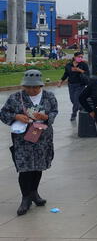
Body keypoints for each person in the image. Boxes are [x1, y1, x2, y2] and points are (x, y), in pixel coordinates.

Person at [0, 70, 57, 216]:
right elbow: (3, 113)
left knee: (38, 166)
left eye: (35, 87)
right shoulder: (15, 98)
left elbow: (54, 112)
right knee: (24, 168)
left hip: (42, 137)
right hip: (22, 138)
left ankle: (34, 193)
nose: (31, 90)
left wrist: (46, 117)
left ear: (41, 85)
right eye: (28, 87)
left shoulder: (49, 96)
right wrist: (16, 116)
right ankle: (25, 198)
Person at [57, 51, 89, 121]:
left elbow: (87, 73)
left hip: (80, 85)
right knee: (73, 100)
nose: (80, 58)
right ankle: (81, 107)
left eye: (81, 57)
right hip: (71, 85)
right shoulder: (69, 65)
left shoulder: (83, 65)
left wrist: (79, 70)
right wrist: (61, 81)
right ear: (74, 57)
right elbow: (66, 74)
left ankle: (73, 114)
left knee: (76, 99)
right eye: (79, 57)